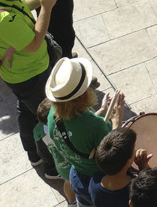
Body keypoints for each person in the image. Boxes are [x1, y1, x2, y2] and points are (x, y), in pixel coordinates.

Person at [0, 0, 69, 178]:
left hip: (21, 74)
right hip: (30, 75)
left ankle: (32, 153)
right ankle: (51, 167)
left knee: (27, 111)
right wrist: (46, 7)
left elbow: (22, 4)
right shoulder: (1, 20)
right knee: (48, 120)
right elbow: (34, 43)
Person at [44, 57, 119, 203]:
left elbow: (79, 130)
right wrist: (117, 122)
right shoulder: (96, 126)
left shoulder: (52, 116)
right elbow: (113, 157)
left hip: (76, 176)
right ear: (84, 94)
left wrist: (103, 110)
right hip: (97, 182)